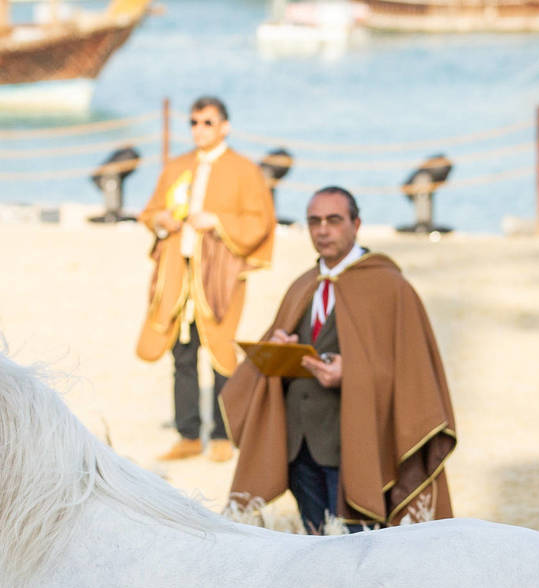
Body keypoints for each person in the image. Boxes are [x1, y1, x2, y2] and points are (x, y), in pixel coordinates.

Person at [222, 186, 458, 533]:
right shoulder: (303, 284)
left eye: (334, 220)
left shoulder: (390, 287)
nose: (322, 230)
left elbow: (413, 376)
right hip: (299, 447)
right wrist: (279, 350)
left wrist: (354, 374)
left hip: (356, 445)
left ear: (356, 223)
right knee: (317, 544)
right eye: (314, 221)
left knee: (361, 547)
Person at [136, 95, 276, 465]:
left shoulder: (244, 170)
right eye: (194, 122)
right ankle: (187, 433)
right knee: (182, 353)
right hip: (177, 272)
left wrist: (217, 221)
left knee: (221, 351)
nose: (200, 130)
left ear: (224, 126)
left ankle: (221, 434)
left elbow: (260, 221)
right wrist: (161, 219)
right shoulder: (176, 166)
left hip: (219, 276)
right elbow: (149, 212)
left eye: (208, 123)